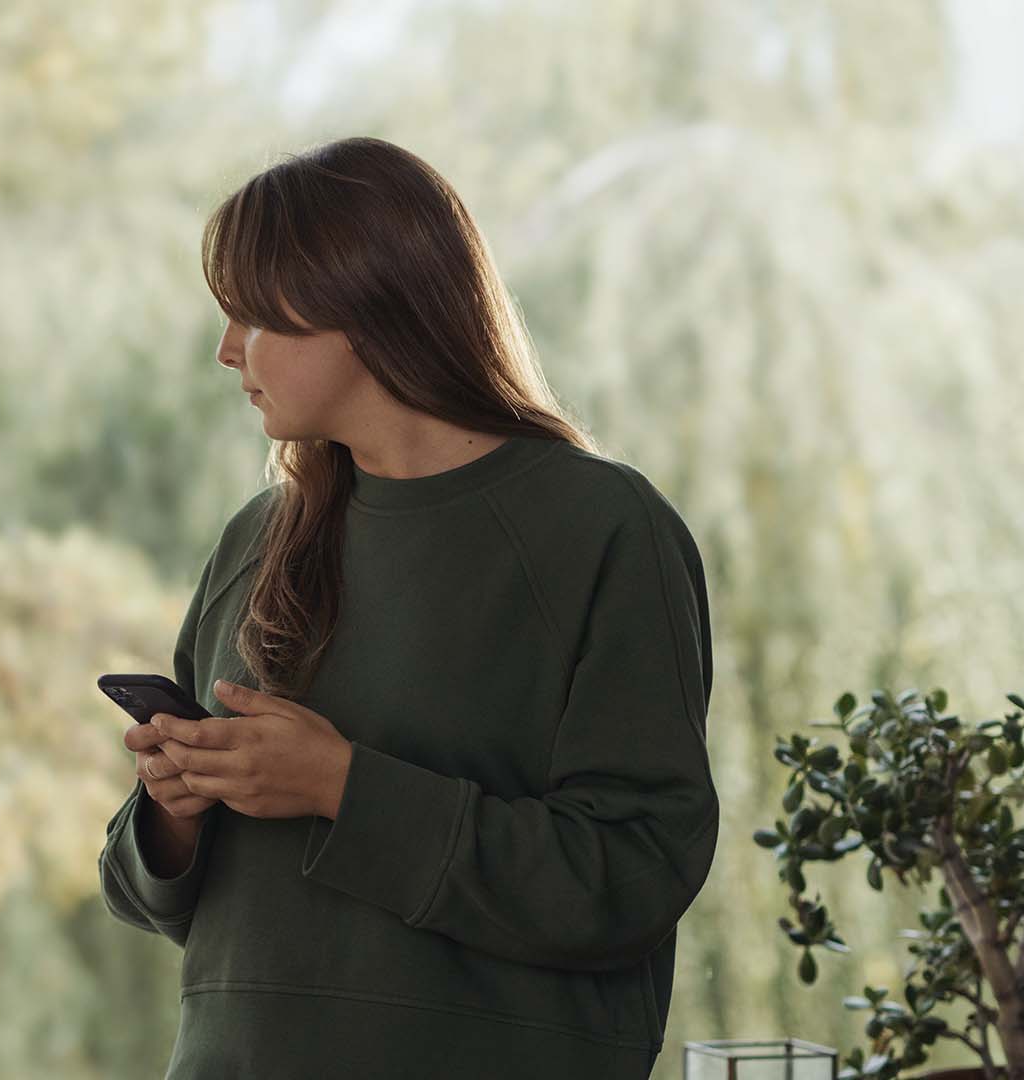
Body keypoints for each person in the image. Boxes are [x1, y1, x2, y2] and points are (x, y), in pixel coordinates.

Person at [98, 136, 720, 1079]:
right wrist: (172, 809)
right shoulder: (256, 539)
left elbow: (633, 873)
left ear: (361, 307)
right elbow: (156, 897)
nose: (225, 351)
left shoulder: (602, 528)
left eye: (251, 315)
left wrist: (341, 787)